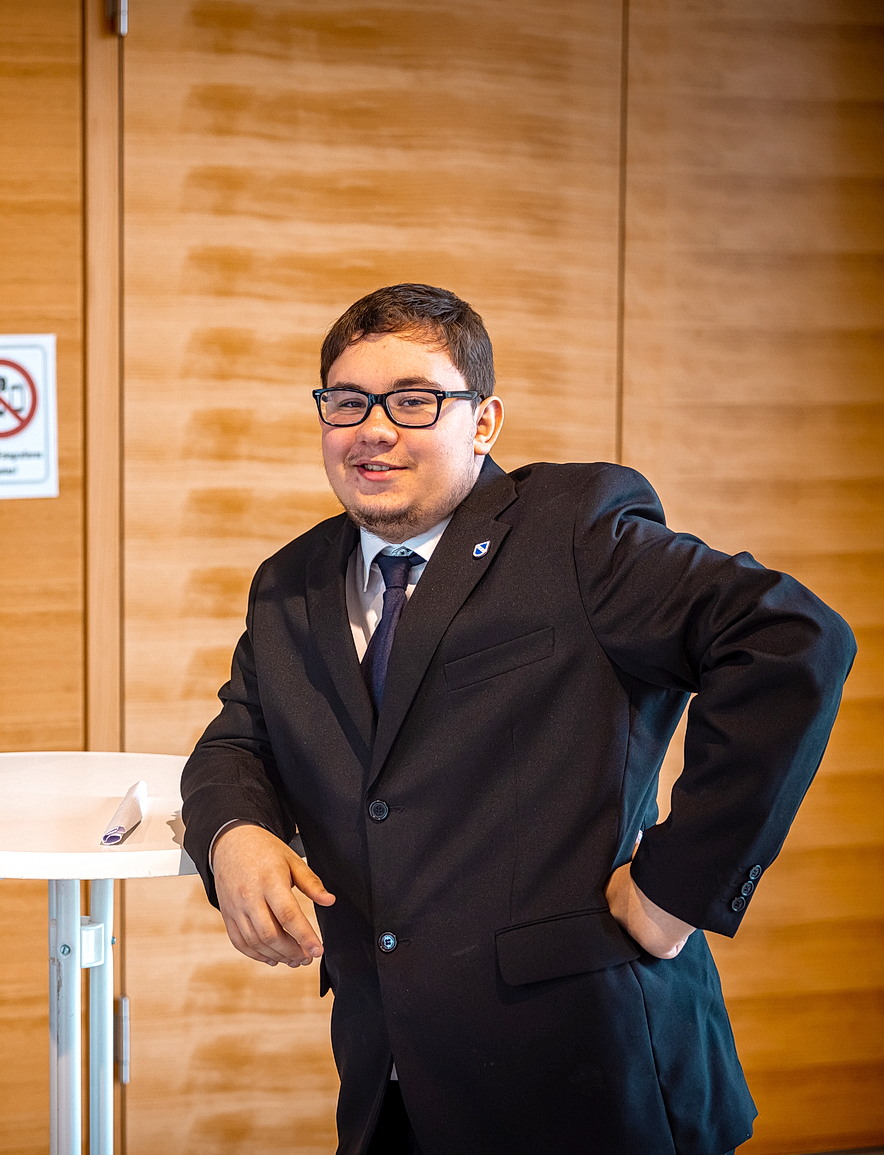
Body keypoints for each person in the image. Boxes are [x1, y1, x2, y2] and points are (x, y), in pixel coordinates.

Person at [181, 283, 854, 1155]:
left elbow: (792, 640)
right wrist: (232, 833)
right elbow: (238, 740)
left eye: (414, 400)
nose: (374, 428)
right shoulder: (289, 582)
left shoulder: (575, 531)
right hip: (390, 1077)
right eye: (347, 401)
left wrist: (680, 887)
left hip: (587, 1073)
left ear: (484, 421)